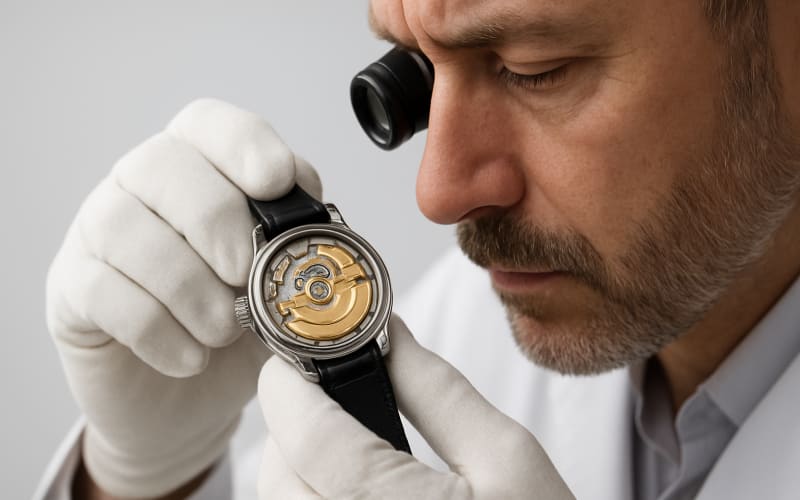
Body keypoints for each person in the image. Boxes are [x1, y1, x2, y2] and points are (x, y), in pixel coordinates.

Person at [37, 0, 800, 498]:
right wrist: (146, 479)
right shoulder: (470, 319)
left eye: (536, 70)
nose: (436, 193)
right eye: (417, 75)